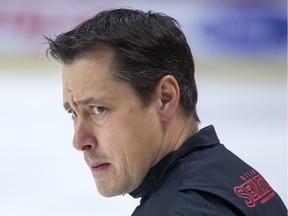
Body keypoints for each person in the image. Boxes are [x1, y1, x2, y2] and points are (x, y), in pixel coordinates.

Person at [45, 8, 287, 216]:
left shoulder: (183, 208)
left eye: (98, 109)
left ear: (165, 98)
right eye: (73, 113)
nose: (79, 141)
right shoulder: (229, 174)